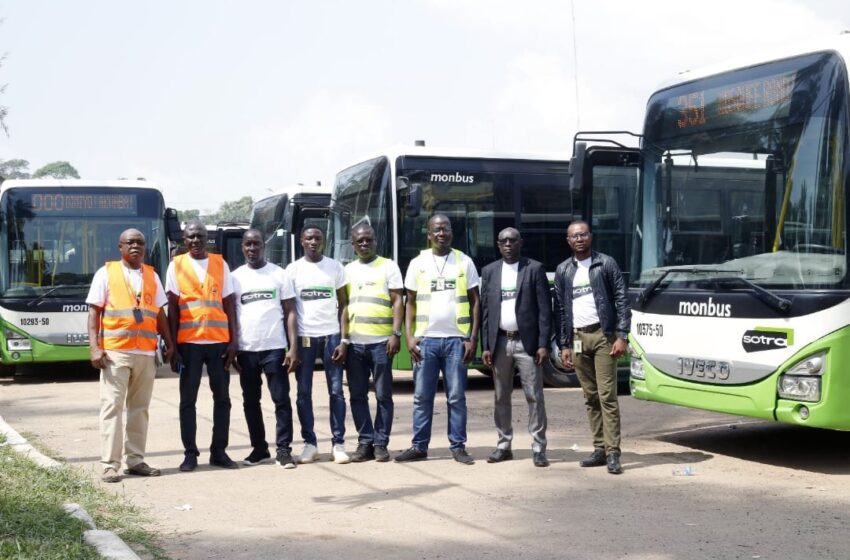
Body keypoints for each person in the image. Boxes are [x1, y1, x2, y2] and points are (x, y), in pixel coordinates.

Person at [87, 228, 175, 483]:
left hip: (145, 353)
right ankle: (110, 464)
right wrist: (95, 347)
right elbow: (94, 313)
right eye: (130, 242)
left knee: (139, 409)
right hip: (116, 352)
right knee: (112, 407)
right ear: (120, 246)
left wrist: (169, 343)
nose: (135, 246)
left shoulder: (151, 275)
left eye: (140, 242)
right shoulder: (106, 273)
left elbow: (159, 313)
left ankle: (135, 460)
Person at [396, 214, 480, 465]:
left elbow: (476, 302)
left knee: (456, 397)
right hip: (426, 342)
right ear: (429, 234)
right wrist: (409, 338)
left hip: (456, 341)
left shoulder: (463, 261)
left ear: (451, 233)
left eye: (446, 229)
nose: (441, 233)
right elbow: (409, 303)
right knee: (422, 397)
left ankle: (458, 446)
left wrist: (472, 338)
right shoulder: (417, 263)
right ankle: (419, 446)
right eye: (437, 229)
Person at [553, 220, 630, 475]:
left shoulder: (605, 263)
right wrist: (564, 344)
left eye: (583, 234)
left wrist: (622, 335)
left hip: (603, 336)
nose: (579, 239)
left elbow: (621, 298)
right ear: (568, 240)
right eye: (574, 236)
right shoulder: (564, 270)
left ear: (591, 237)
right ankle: (599, 449)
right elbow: (561, 310)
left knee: (607, 395)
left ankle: (613, 453)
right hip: (577, 338)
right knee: (590, 396)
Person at [167, 220, 239, 472]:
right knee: (188, 401)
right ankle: (190, 454)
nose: (195, 240)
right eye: (190, 237)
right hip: (189, 345)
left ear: (207, 238)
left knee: (223, 399)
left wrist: (233, 340)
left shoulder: (220, 263)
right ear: (183, 240)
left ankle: (219, 451)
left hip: (218, 343)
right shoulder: (176, 265)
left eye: (200, 236)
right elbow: (173, 308)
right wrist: (173, 346)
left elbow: (229, 304)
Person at [480, 227, 551, 468]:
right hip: (500, 342)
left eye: (512, 240)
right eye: (503, 241)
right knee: (501, 396)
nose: (508, 244)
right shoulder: (489, 272)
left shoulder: (534, 268)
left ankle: (539, 447)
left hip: (527, 343)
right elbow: (486, 312)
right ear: (498, 245)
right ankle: (503, 444)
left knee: (534, 396)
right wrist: (486, 345)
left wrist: (543, 344)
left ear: (521, 243)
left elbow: (544, 310)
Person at [232, 229, 300, 469]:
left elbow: (290, 311)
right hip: (247, 350)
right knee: (251, 402)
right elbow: (231, 315)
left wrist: (293, 347)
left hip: (274, 348)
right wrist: (233, 347)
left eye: (257, 244)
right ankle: (259, 449)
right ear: (242, 247)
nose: (252, 249)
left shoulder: (279, 275)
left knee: (281, 400)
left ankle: (283, 450)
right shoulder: (235, 277)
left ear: (264, 246)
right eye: (248, 244)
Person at [288, 226, 351, 464]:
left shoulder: (335, 267)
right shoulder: (293, 270)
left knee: (336, 391)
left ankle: (339, 444)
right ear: (302, 242)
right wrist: (292, 345)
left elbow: (344, 305)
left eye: (318, 238)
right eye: (309, 238)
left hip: (331, 337)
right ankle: (310, 444)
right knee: (303, 393)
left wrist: (344, 340)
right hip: (305, 338)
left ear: (323, 241)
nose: (314, 241)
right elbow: (290, 309)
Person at [344, 223, 404, 462]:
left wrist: (395, 334)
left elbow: (398, 301)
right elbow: (344, 305)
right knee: (357, 396)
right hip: (355, 345)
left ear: (375, 241)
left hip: (381, 343)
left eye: (368, 240)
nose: (364, 244)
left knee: (383, 395)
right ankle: (365, 442)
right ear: (353, 245)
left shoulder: (388, 266)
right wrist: (344, 340)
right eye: (360, 241)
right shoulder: (347, 270)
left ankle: (381, 443)